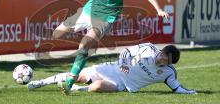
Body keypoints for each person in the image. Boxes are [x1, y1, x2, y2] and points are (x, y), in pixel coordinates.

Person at [51, 0, 169, 94]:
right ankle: (83, 53)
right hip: (87, 11)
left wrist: (159, 9)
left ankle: (70, 81)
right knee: (56, 34)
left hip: (105, 18)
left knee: (85, 44)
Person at [27, 43, 197, 94]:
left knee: (97, 87)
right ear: (162, 51)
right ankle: (39, 83)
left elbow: (177, 88)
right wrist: (123, 64)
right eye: (163, 57)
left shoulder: (168, 73)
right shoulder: (148, 48)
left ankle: (76, 90)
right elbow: (125, 52)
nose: (162, 61)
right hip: (112, 69)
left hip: (122, 85)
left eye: (166, 62)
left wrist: (191, 93)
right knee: (77, 75)